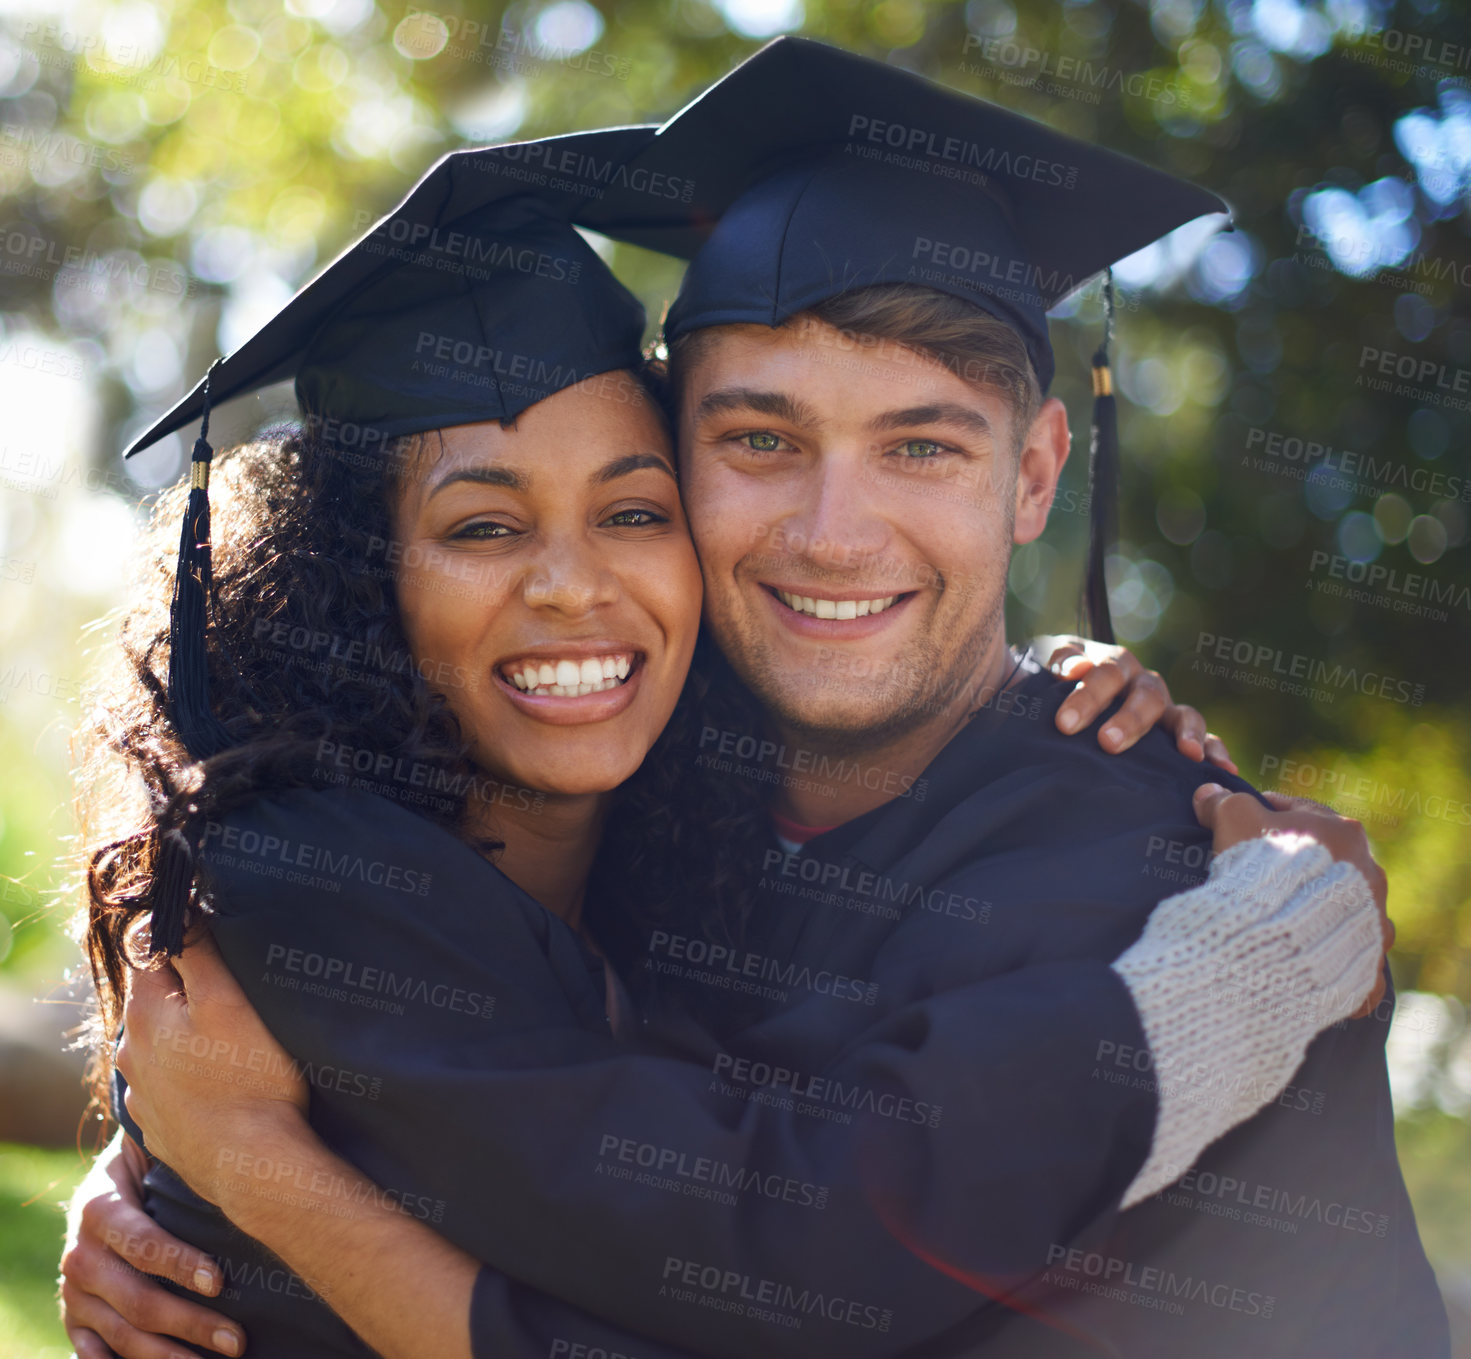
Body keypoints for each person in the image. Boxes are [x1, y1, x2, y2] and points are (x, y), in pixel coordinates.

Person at [60, 52, 1420, 1359]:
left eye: (922, 447)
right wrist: (170, 1169)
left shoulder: (1156, 879)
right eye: (759, 442)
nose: (834, 536)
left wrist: (261, 1174)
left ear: (1035, 475)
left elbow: (797, 1252)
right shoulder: (658, 828)